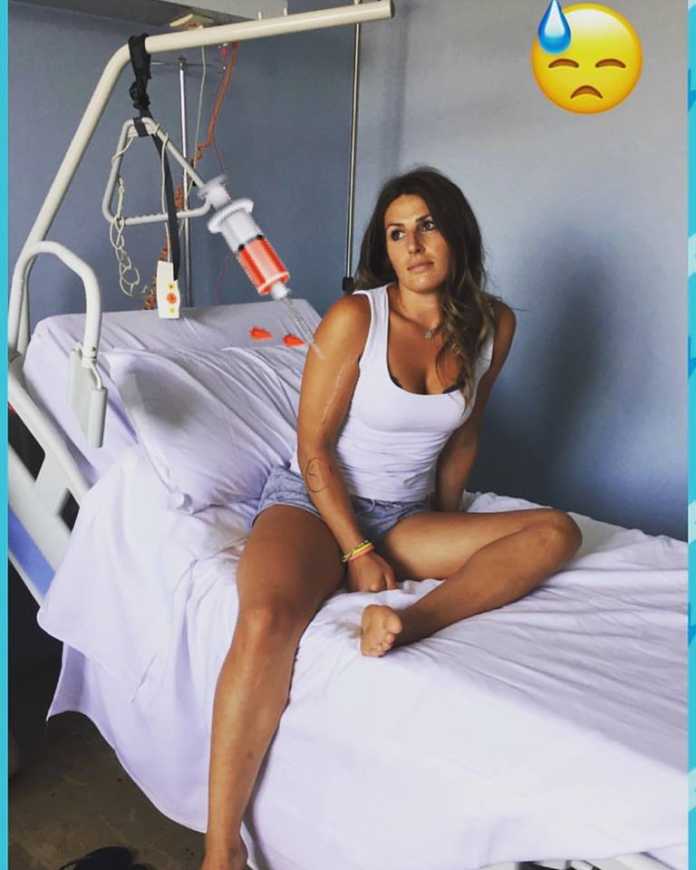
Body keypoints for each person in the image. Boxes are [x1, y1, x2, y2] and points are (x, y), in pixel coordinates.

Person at [201, 166, 583, 870]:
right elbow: (313, 448)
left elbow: (464, 434)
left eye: (427, 226)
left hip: (405, 514)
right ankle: (221, 850)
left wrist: (447, 525)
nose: (413, 246)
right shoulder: (357, 319)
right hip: (315, 504)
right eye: (397, 233)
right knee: (266, 619)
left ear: (457, 233)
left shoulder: (495, 325)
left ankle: (414, 621)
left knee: (557, 532)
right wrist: (354, 551)